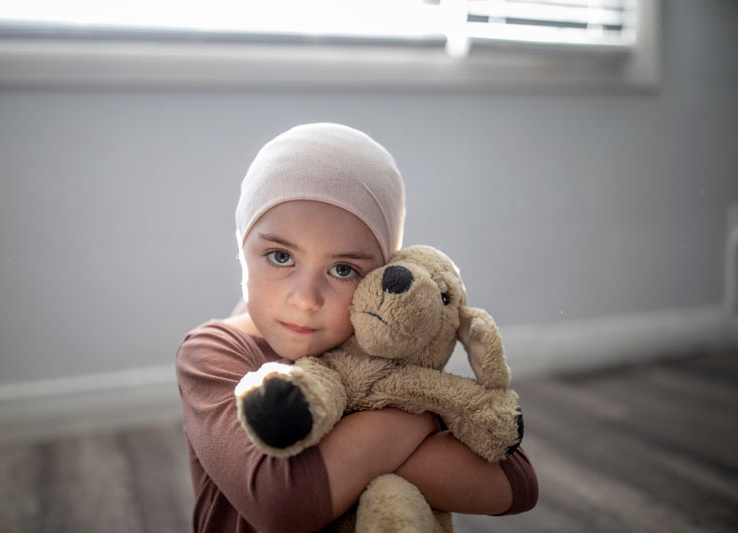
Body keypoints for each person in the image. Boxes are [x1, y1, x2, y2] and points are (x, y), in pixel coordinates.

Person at [176, 123, 538, 533]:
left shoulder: (385, 350)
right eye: (280, 256)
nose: (306, 298)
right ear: (242, 248)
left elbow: (516, 484)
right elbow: (281, 503)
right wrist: (418, 413)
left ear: (382, 272)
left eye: (343, 269)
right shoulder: (213, 353)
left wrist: (344, 458)